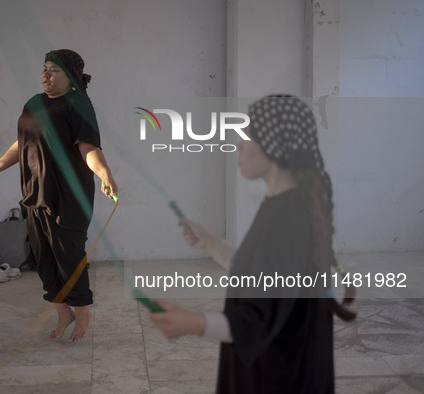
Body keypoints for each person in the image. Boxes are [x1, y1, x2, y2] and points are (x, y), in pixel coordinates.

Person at [149, 95, 355, 393]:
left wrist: (194, 323)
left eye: (246, 133)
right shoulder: (282, 204)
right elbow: (260, 272)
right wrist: (210, 242)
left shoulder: (289, 219)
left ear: (271, 144)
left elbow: (258, 319)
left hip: (279, 375)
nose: (239, 144)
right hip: (278, 364)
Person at [0, 49, 118, 343]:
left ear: (71, 77)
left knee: (69, 257)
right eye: (44, 68)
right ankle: (63, 312)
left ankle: (81, 311)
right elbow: (21, 144)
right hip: (34, 194)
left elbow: (88, 147)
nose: (45, 74)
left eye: (54, 70)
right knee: (43, 259)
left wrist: (104, 173)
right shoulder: (33, 104)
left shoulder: (78, 105)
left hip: (68, 197)